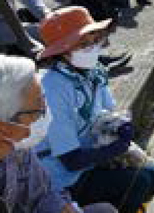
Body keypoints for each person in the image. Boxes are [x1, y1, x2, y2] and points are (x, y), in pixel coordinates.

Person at [34, 6, 154, 212]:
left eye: (95, 41)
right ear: (62, 52)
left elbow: (108, 112)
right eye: (83, 45)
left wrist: (120, 127)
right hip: (63, 176)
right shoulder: (51, 89)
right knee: (137, 181)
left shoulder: (93, 73)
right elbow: (70, 159)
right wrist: (112, 150)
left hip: (89, 155)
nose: (93, 48)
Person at [0, 54, 117, 213]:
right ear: (4, 128)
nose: (45, 115)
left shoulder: (19, 149)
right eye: (37, 111)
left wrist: (64, 208)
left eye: (44, 103)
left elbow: (43, 192)